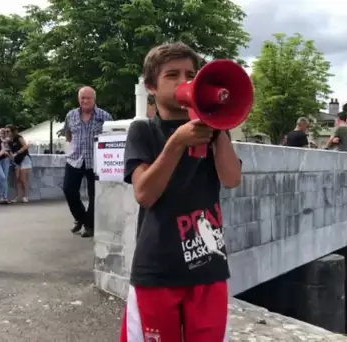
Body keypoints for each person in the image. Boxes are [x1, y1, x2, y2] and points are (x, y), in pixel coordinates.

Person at [120, 42, 242, 342]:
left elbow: (232, 179)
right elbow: (144, 194)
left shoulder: (215, 130)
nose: (184, 81)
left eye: (190, 73)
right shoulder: (143, 131)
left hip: (209, 266)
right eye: (172, 75)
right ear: (150, 86)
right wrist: (176, 142)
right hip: (158, 269)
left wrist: (217, 126)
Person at [62, 86, 112, 238]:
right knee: (69, 190)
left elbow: (111, 139)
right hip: (74, 159)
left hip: (96, 161)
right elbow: (68, 134)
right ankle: (80, 218)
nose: (85, 101)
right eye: (82, 98)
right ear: (78, 99)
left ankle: (90, 226)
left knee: (94, 195)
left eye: (88, 98)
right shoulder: (71, 115)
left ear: (94, 99)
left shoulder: (104, 116)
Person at [6, 124, 32, 203]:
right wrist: (10, 155)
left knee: (23, 178)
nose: (7, 133)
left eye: (8, 131)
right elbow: (10, 151)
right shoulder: (9, 141)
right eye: (5, 131)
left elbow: (25, 146)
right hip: (16, 161)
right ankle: (17, 196)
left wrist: (17, 153)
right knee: (17, 179)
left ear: (12, 131)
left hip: (24, 158)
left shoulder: (18, 137)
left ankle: (26, 196)